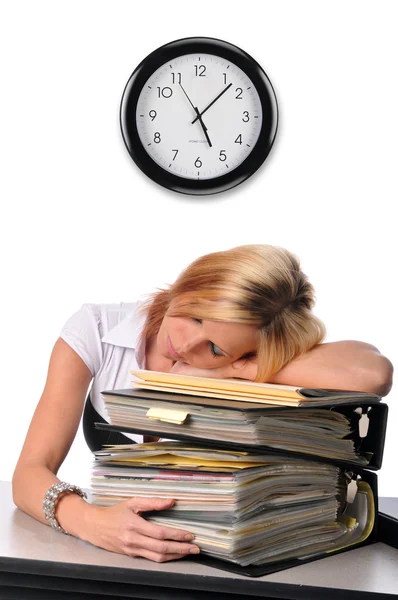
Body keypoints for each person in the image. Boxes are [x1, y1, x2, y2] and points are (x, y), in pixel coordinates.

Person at [12, 245, 393, 564]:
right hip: (122, 555)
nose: (186, 344)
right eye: (195, 316)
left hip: (229, 551)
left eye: (214, 346)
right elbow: (30, 472)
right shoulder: (97, 331)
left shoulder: (241, 358)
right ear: (191, 282)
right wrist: (91, 523)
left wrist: (239, 370)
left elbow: (372, 373)